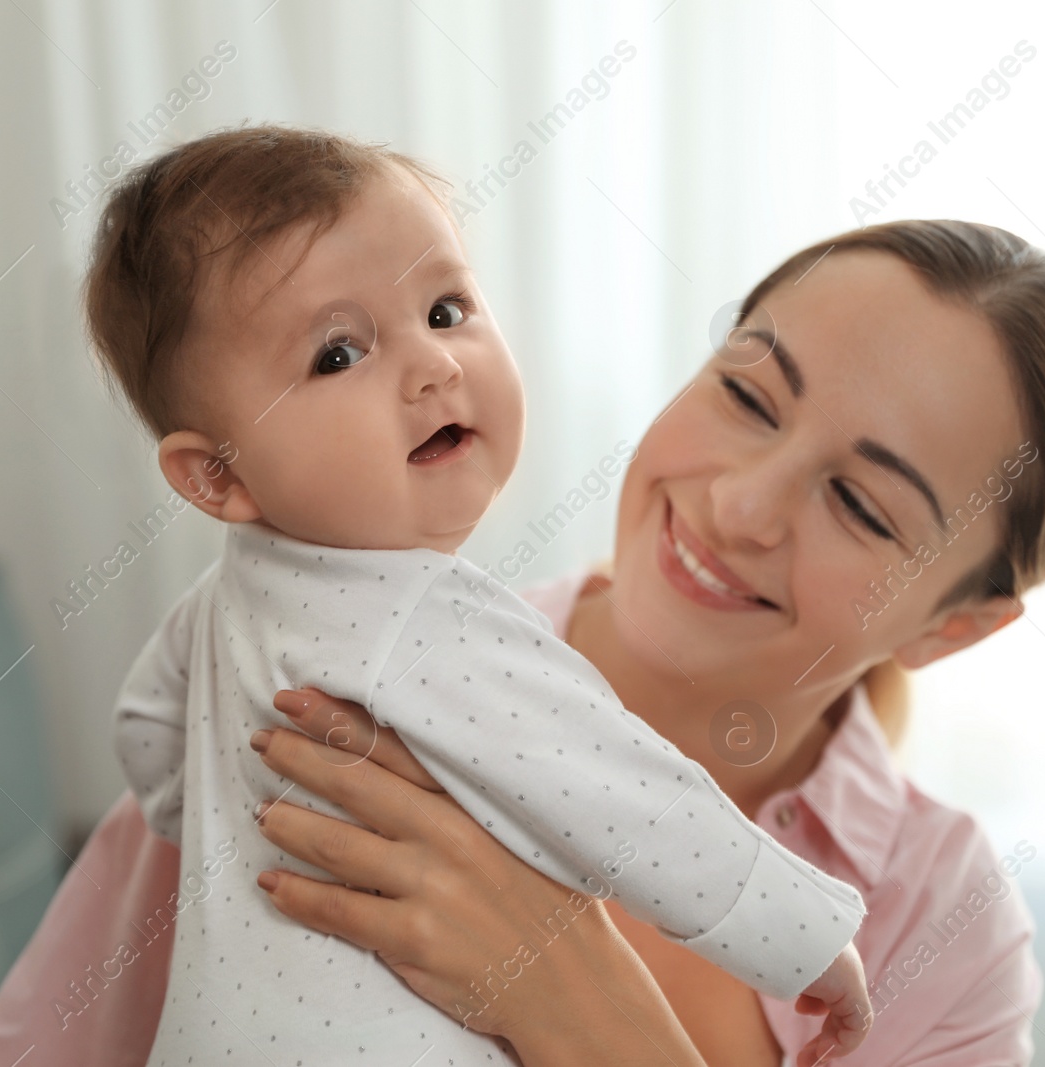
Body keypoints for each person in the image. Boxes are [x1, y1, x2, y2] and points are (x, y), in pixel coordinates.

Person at [0, 213, 1045, 1066]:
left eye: (864, 507)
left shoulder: (940, 918)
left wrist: (584, 1006)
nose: (739, 506)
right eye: (747, 395)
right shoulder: (326, 687)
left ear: (955, 625)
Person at [81, 124, 870, 1067]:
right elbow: (623, 791)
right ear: (215, 474)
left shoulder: (224, 603)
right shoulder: (433, 617)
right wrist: (808, 942)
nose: (434, 365)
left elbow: (143, 729)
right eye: (338, 354)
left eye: (447, 308)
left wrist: (231, 822)